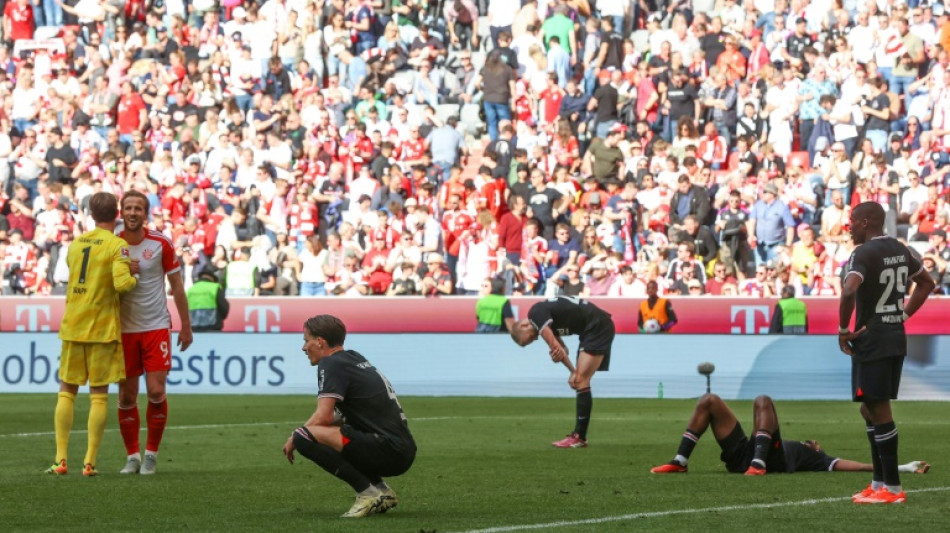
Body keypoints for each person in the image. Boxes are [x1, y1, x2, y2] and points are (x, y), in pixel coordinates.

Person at [838, 201, 935, 504]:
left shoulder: (862, 253)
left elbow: (850, 289)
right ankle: (879, 481)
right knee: (868, 408)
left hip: (873, 339)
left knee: (878, 410)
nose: (849, 227)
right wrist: (902, 316)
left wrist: (843, 329)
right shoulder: (900, 248)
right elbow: (926, 282)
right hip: (894, 335)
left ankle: (892, 488)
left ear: (866, 222)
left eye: (852, 221)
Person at [282, 315, 416, 518]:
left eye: (306, 340)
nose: (303, 347)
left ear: (320, 341)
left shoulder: (331, 364)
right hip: (401, 449)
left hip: (387, 450)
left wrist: (295, 436)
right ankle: (381, 491)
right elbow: (339, 415)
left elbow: (324, 416)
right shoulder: (354, 357)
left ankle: (367, 493)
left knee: (304, 436)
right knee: (325, 434)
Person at [47, 192, 139, 476]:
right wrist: (134, 273)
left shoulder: (76, 244)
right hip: (100, 329)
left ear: (91, 214)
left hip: (73, 324)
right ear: (117, 214)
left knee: (67, 391)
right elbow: (122, 285)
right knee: (98, 395)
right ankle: (89, 463)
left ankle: (61, 460)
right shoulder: (117, 245)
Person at [650, 394, 930, 476]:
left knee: (762, 400)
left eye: (816, 445)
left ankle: (758, 465)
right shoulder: (793, 443)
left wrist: (903, 467)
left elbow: (853, 466)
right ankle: (680, 461)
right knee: (709, 400)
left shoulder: (817, 458)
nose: (813, 443)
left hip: (772, 460)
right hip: (744, 456)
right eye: (813, 442)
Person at [114, 190, 193, 475]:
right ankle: (132, 456)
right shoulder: (113, 243)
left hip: (156, 326)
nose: (133, 212)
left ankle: (150, 455)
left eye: (138, 208)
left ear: (145, 214)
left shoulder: (160, 242)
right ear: (121, 212)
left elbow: (178, 287)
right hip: (122, 329)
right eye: (128, 208)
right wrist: (122, 269)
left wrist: (186, 325)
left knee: (156, 390)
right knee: (126, 397)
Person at [506, 297, 615, 448]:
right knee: (580, 380)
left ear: (524, 325)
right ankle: (580, 436)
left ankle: (579, 437)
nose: (535, 340)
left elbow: (556, 348)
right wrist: (571, 370)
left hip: (597, 327)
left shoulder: (536, 314)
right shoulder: (543, 319)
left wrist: (572, 371)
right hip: (594, 327)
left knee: (580, 380)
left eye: (530, 338)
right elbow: (561, 349)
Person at [187, 267, 231, 331]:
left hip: (194, 328)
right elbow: (223, 307)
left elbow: (183, 309)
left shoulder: (190, 290)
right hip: (212, 327)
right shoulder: (215, 287)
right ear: (212, 278)